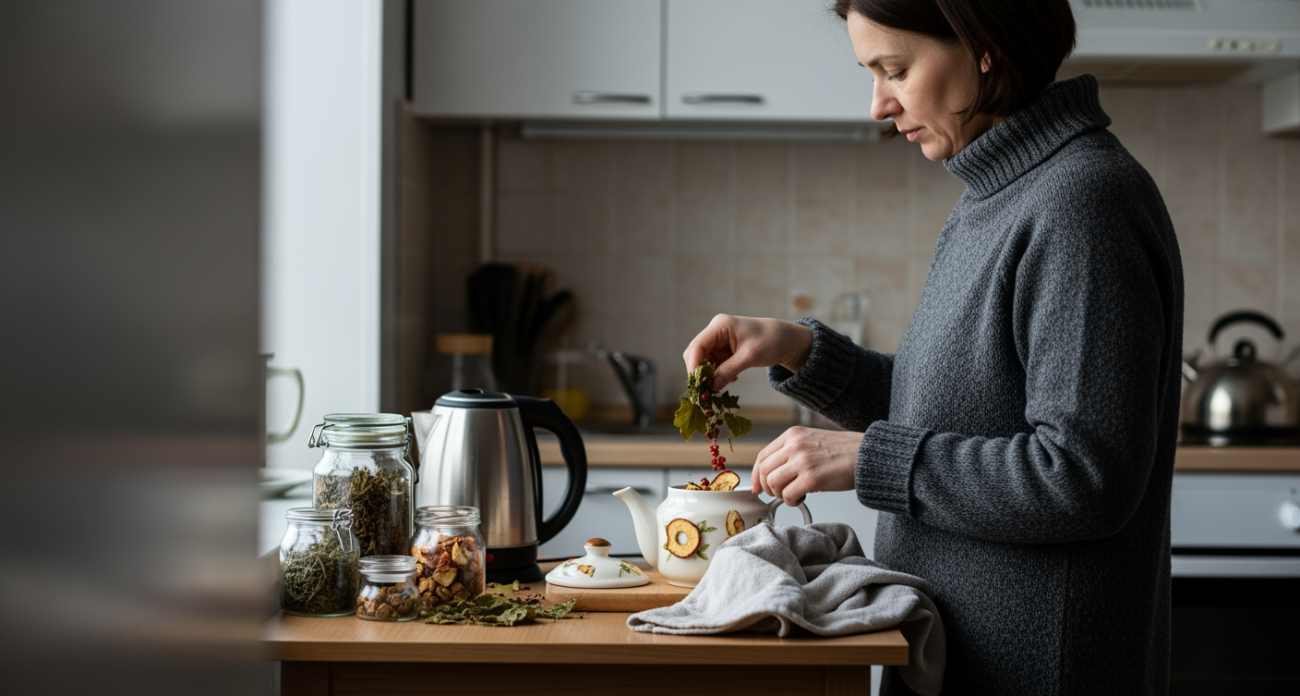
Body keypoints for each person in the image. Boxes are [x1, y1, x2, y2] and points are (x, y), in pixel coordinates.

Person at [683, 1, 1183, 694]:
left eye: (895, 69)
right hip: (963, 654)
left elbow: (1082, 478)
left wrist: (871, 458)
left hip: (1039, 671)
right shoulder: (1000, 192)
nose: (877, 105)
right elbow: (956, 410)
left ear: (984, 45)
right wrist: (797, 349)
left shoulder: (1082, 203)